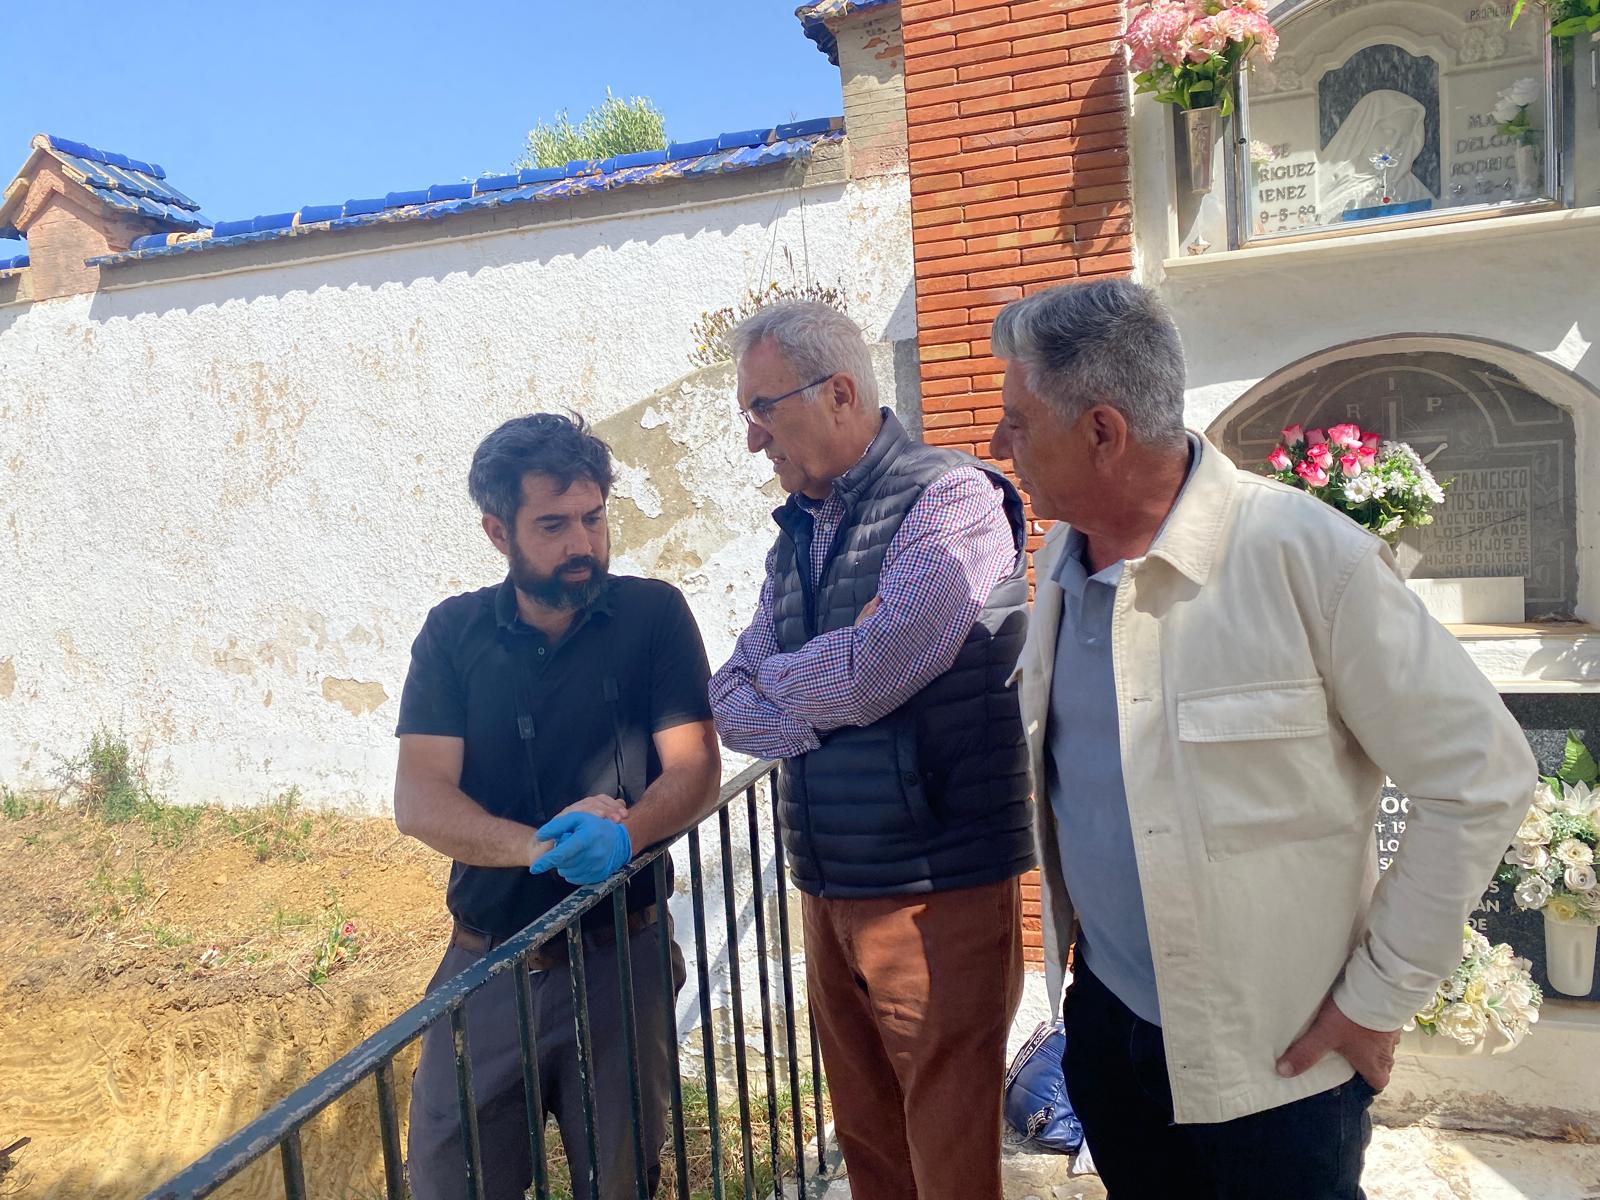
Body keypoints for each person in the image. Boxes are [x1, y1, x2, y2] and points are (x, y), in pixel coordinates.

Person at [986, 278, 1534, 1199]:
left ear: (1103, 432)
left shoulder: (1304, 557)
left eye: (1017, 422)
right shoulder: (1061, 562)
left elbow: (1480, 776)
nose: (998, 448)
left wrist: (1376, 1003)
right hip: (1111, 1033)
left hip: (1276, 1072)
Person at [709, 302, 1035, 1200]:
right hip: (830, 880)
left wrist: (828, 675)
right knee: (869, 1141)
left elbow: (881, 666)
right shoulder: (799, 534)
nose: (751, 440)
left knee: (946, 1144)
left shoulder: (954, 498)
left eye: (762, 409)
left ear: (840, 392)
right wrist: (841, 672)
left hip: (936, 887)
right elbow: (730, 698)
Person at [394, 412, 721, 1200]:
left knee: (620, 1182)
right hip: (491, 957)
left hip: (621, 960)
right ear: (497, 533)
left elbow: (697, 767)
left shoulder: (653, 617)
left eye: (593, 518)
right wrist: (536, 847)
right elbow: (420, 796)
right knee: (452, 1175)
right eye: (553, 524)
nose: (582, 543)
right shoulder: (453, 634)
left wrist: (626, 835)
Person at [1319, 89, 1433, 216]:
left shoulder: (1411, 189)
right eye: (1388, 131)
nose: (1393, 144)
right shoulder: (1325, 183)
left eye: (1403, 138)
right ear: (1365, 129)